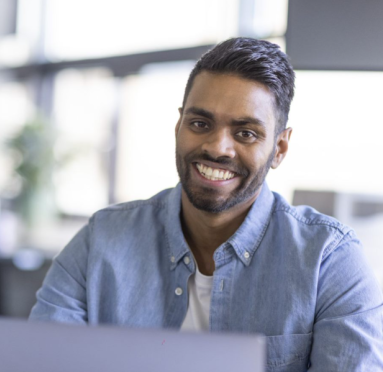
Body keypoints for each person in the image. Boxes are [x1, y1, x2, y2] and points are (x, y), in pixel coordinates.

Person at [29, 38, 383, 371]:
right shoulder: (100, 241)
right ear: (178, 126)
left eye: (245, 133)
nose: (217, 148)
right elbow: (39, 362)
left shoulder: (329, 259)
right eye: (200, 123)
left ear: (279, 149)